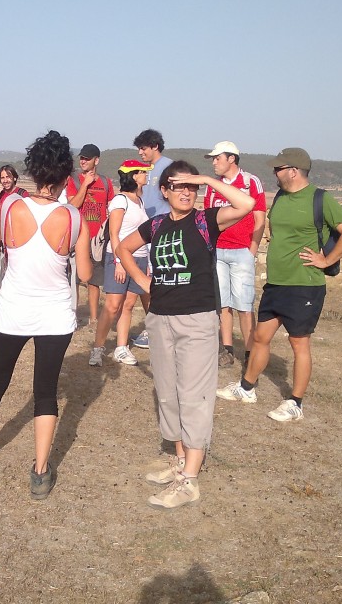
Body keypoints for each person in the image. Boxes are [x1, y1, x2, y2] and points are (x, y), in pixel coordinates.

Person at [0, 130, 91, 501]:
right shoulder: (73, 216)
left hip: (12, 312)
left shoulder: (10, 207)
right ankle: (41, 470)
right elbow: (84, 273)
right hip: (55, 317)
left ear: (32, 170)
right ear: (65, 174)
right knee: (45, 392)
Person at [115, 160, 254, 509]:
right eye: (178, 186)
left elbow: (246, 204)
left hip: (197, 320)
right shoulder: (157, 224)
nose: (186, 192)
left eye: (191, 186)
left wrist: (206, 178)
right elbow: (123, 248)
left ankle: (189, 480)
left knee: (194, 396)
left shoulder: (206, 221)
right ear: (164, 191)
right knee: (168, 394)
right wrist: (143, 281)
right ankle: (180, 462)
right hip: (160, 318)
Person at [217, 147, 342, 423]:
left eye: (278, 168)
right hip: (276, 283)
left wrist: (326, 260)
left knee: (299, 343)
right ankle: (247, 388)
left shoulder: (320, 199)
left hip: (304, 284)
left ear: (293, 171)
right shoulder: (281, 197)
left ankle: (295, 403)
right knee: (260, 337)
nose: (274, 172)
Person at [202, 141, 267, 368]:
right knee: (223, 304)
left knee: (244, 305)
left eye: (217, 158)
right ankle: (227, 349)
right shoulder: (213, 186)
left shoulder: (250, 182)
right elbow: (209, 217)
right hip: (219, 251)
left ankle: (250, 352)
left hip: (241, 250)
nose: (214, 162)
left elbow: (260, 217)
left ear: (231, 158)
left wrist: (252, 249)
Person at [89, 160, 151, 367]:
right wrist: (119, 261)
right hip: (120, 258)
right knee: (112, 305)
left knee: (128, 305)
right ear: (134, 176)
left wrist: (146, 262)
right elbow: (114, 234)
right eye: (143, 172)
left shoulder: (139, 201)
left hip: (139, 258)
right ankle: (97, 348)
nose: (146, 175)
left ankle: (121, 348)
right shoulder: (120, 201)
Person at [129, 128, 173, 349]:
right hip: (146, 234)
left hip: (163, 233)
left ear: (155, 146)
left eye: (143, 148)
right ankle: (154, 326)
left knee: (161, 281)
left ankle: (160, 329)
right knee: (148, 281)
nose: (140, 152)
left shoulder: (169, 167)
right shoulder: (143, 170)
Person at [64, 144, 114, 328]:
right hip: (78, 237)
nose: (83, 161)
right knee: (75, 280)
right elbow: (73, 205)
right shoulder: (74, 180)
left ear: (96, 160)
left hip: (97, 240)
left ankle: (94, 318)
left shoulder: (106, 183)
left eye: (87, 158)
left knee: (94, 281)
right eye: (81, 158)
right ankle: (73, 316)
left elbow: (111, 209)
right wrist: (85, 184)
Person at [0, 165, 28, 317]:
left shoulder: (23, 195)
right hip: (1, 242)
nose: (5, 180)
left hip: (18, 244)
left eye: (8, 177)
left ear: (14, 177)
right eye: (2, 178)